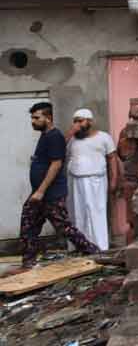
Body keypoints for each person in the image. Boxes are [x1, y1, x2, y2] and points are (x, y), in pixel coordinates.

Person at [20, 102, 99, 268]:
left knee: (64, 227)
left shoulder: (54, 136)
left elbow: (56, 164)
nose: (32, 121)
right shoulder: (46, 135)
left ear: (48, 118)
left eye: (36, 118)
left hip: (51, 194)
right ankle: (28, 262)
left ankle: (94, 253)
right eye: (32, 118)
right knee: (29, 223)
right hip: (41, 192)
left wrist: (41, 191)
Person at [65, 109, 118, 251]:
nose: (77, 124)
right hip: (75, 181)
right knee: (77, 212)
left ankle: (100, 246)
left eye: (80, 121)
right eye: (75, 121)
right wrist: (70, 134)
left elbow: (112, 158)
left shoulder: (103, 137)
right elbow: (59, 150)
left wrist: (114, 180)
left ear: (90, 121)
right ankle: (80, 245)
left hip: (97, 181)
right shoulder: (72, 139)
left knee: (97, 212)